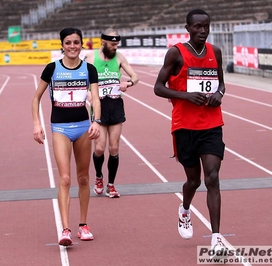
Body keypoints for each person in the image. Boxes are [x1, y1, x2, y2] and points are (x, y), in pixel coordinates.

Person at [153, 9, 227, 257]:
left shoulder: (215, 52)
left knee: (212, 178)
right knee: (194, 181)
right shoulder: (176, 53)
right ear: (188, 28)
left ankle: (216, 238)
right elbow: (158, 88)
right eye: (197, 27)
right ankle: (185, 210)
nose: (202, 31)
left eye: (206, 26)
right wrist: (185, 96)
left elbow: (221, 84)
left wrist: (219, 95)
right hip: (184, 126)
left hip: (212, 125)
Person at [32, 27, 101, 246]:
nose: (73, 46)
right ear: (62, 45)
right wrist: (37, 124)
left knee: (83, 178)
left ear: (82, 45)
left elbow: (96, 99)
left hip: (82, 126)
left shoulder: (89, 69)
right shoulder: (52, 68)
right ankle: (65, 229)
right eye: (68, 42)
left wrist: (96, 121)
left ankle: (83, 225)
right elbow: (35, 98)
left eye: (76, 42)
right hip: (60, 128)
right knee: (65, 178)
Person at [84, 28, 139, 198]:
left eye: (117, 44)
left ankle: (111, 185)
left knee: (114, 148)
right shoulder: (91, 58)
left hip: (115, 105)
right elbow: (81, 79)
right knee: (99, 149)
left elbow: (135, 76)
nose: (115, 47)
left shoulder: (119, 57)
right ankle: (99, 177)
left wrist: (127, 83)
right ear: (103, 42)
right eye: (112, 44)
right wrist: (88, 95)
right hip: (99, 106)